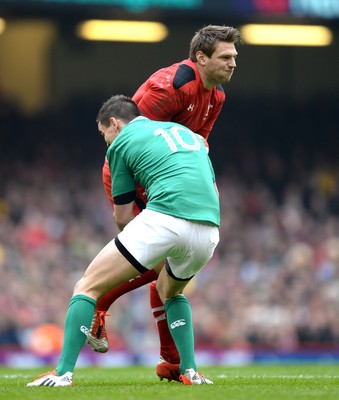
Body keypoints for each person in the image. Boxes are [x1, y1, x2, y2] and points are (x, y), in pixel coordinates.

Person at [27, 94, 220, 387]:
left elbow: (123, 215)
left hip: (165, 218)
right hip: (209, 229)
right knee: (170, 291)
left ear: (115, 124)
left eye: (105, 136)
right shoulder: (186, 134)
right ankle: (190, 371)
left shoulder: (121, 142)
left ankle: (63, 374)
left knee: (87, 286)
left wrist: (137, 254)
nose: (107, 143)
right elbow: (213, 191)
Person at [87, 24, 242, 381]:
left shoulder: (216, 97)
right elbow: (130, 139)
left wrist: (207, 182)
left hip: (167, 184)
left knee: (167, 271)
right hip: (132, 178)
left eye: (235, 57)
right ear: (200, 57)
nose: (234, 63)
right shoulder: (170, 86)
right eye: (226, 56)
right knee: (160, 264)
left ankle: (170, 361)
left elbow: (197, 147)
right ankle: (100, 300)